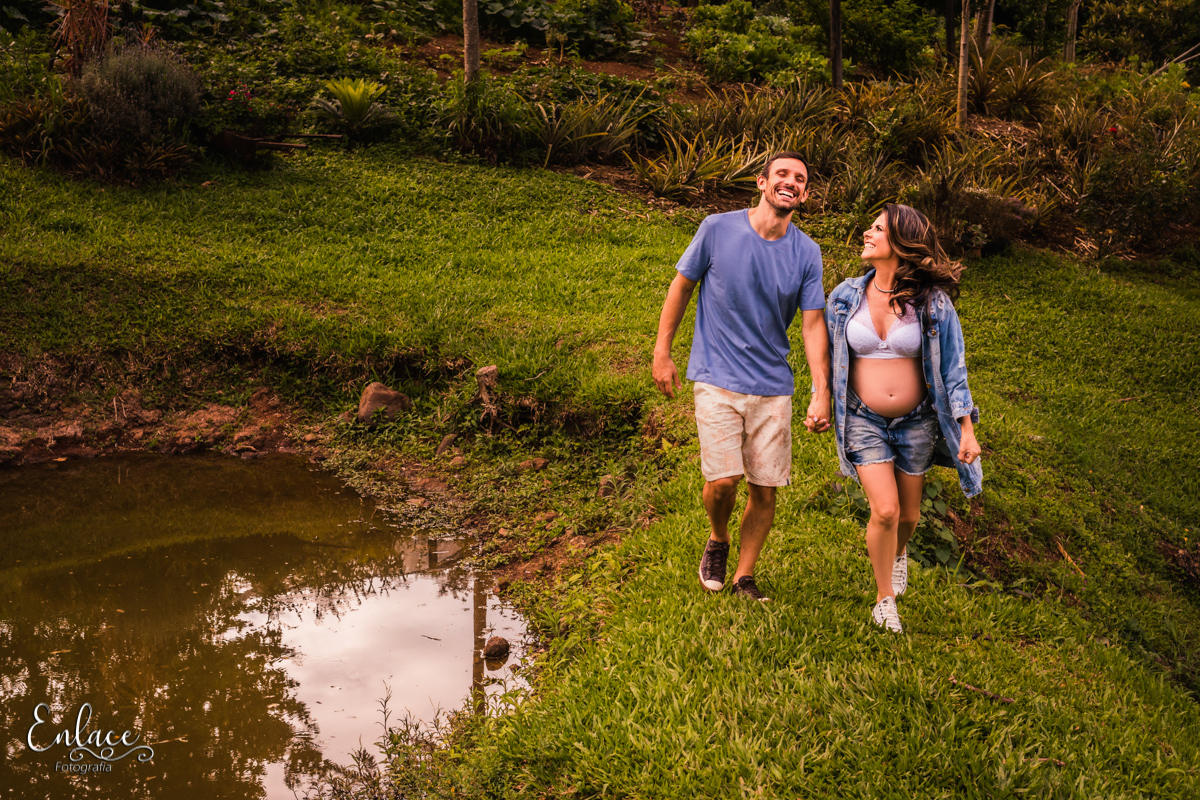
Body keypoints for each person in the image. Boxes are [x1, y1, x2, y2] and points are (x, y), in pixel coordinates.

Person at [653, 151, 831, 602]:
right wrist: (662, 352)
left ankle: (744, 577)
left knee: (765, 490)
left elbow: (813, 324)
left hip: (773, 386)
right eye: (782, 174)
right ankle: (719, 538)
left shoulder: (807, 253)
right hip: (717, 376)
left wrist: (821, 390)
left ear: (804, 194)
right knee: (723, 482)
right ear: (761, 182)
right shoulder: (717, 228)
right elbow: (682, 286)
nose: (790, 182)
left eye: (799, 178)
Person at [825, 203, 983, 633]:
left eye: (878, 229)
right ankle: (884, 601)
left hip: (916, 422)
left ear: (900, 242)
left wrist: (967, 430)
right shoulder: (844, 297)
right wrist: (820, 399)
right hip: (862, 418)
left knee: (909, 517)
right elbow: (827, 357)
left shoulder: (932, 303)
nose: (867, 233)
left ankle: (898, 554)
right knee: (886, 511)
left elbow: (954, 368)